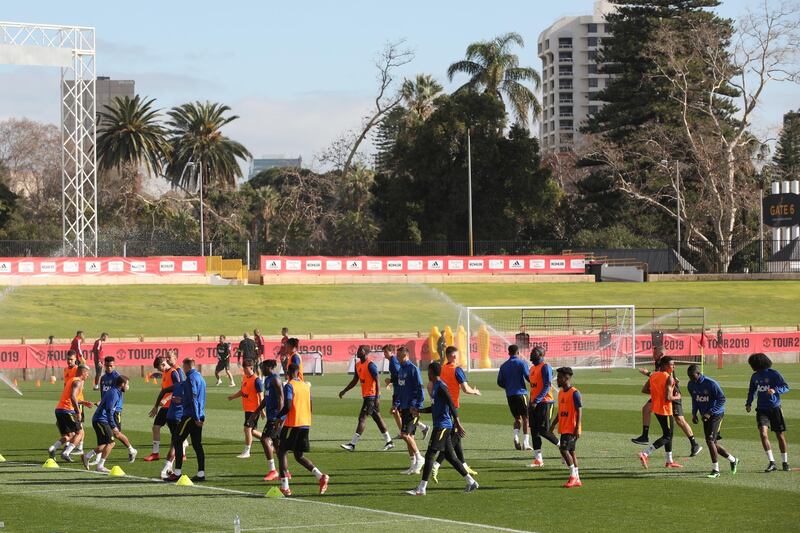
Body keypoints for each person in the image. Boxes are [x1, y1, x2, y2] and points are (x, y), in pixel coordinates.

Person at [406, 361, 479, 496]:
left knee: (429, 455)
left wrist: (458, 423)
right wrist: (419, 410)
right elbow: (435, 407)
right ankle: (471, 482)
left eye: (428, 372)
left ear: (432, 373)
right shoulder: (435, 387)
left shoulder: (441, 387)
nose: (427, 374)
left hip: (443, 427)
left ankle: (421, 488)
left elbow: (451, 405)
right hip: (440, 426)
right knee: (451, 457)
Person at [631, 347, 702, 457]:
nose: (653, 355)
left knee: (679, 420)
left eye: (655, 353)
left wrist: (648, 373)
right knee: (647, 409)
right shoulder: (660, 363)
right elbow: (659, 377)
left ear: (661, 354)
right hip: (663, 392)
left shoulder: (666, 362)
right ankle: (646, 436)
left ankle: (694, 444)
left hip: (672, 393)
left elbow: (664, 377)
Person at [276, 363, 329, 496]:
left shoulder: (289, 386)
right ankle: (320, 476)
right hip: (305, 423)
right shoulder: (306, 386)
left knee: (281, 451)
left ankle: (285, 487)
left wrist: (278, 418)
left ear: (288, 373)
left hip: (293, 424)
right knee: (298, 455)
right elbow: (311, 404)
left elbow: (287, 405)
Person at [430, 346, 480, 482]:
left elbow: (430, 385)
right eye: (457, 355)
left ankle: (463, 464)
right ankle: (437, 464)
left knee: (456, 437)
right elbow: (465, 389)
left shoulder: (442, 368)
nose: (458, 357)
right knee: (454, 437)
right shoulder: (456, 369)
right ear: (453, 356)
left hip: (442, 407)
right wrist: (475, 391)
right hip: (452, 408)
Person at [338, 345, 394, 452]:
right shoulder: (358, 364)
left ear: (363, 352)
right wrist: (344, 390)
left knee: (362, 418)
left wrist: (377, 397)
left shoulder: (370, 364)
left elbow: (377, 380)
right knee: (377, 418)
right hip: (367, 396)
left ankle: (352, 444)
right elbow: (355, 380)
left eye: (359, 350)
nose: (357, 352)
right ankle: (389, 441)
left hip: (372, 396)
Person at [687, 365, 738, 478]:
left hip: (716, 414)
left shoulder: (711, 383)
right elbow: (695, 399)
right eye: (689, 376)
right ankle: (733, 460)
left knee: (710, 440)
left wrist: (710, 412)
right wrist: (694, 413)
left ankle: (716, 470)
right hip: (704, 416)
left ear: (698, 373)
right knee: (713, 443)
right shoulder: (691, 384)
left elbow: (722, 399)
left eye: (693, 376)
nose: (691, 378)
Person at [745, 353, 791, 472]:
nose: (751, 366)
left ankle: (785, 462)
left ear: (757, 363)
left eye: (752, 364)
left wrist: (775, 390)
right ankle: (772, 462)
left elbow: (786, 387)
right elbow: (752, 390)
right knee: (763, 434)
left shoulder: (774, 374)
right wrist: (749, 403)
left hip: (775, 408)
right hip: (761, 409)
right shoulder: (754, 376)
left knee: (779, 435)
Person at [166, 358, 207, 483]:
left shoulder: (190, 378)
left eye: (183, 366)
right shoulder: (200, 377)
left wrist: (195, 417)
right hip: (199, 414)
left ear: (187, 366)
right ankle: (201, 473)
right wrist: (183, 400)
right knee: (196, 444)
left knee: (177, 440)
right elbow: (198, 397)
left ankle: (177, 473)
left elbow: (194, 398)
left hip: (190, 415)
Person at [638, 357, 683, 469]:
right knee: (668, 436)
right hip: (665, 410)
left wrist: (657, 394)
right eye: (671, 365)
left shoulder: (654, 375)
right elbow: (668, 397)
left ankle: (669, 461)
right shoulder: (669, 378)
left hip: (656, 409)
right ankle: (645, 453)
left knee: (668, 434)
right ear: (664, 365)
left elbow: (644, 390)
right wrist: (677, 396)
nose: (674, 367)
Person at [82, 375, 129, 473]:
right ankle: (100, 466)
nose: (128, 387)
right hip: (101, 420)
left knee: (104, 444)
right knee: (111, 443)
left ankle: (87, 456)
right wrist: (113, 426)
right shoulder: (114, 393)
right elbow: (109, 410)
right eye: (127, 384)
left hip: (100, 420)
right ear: (122, 384)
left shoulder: (116, 391)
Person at [144, 353, 185, 462]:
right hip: (165, 406)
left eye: (159, 368)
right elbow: (163, 391)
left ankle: (181, 453)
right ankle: (155, 453)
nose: (159, 370)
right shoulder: (165, 373)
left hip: (173, 407)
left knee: (175, 432)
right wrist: (156, 406)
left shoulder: (173, 373)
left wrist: (167, 399)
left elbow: (179, 389)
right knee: (156, 427)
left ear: (163, 364)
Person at [97, 356, 137, 463]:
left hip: (115, 410)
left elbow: (122, 391)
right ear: (104, 365)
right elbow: (102, 393)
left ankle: (131, 449)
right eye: (107, 365)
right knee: (106, 434)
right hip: (106, 409)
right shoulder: (103, 378)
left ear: (114, 365)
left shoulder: (117, 377)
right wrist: (102, 403)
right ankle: (98, 459)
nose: (109, 368)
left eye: (111, 366)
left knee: (116, 434)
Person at [49, 365, 93, 462]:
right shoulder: (78, 382)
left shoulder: (71, 380)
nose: (88, 375)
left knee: (68, 436)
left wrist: (83, 402)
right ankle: (66, 453)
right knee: (80, 433)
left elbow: (72, 397)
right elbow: (72, 397)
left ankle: (53, 448)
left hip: (59, 410)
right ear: (82, 372)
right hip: (67, 410)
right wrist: (78, 412)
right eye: (87, 373)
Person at [393, 346, 426, 474]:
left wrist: (418, 406)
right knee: (409, 436)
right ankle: (413, 465)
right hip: (404, 406)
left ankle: (419, 458)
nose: (397, 357)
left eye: (399, 355)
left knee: (405, 435)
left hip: (412, 408)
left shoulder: (413, 369)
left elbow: (420, 388)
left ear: (405, 355)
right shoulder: (401, 369)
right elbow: (400, 389)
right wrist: (396, 404)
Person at [250, 359, 285, 481]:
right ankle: (284, 472)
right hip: (271, 416)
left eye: (263, 367)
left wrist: (279, 417)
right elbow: (266, 398)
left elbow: (281, 398)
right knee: (276, 444)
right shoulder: (268, 380)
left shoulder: (275, 379)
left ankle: (273, 470)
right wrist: (257, 411)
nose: (261, 370)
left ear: (269, 367)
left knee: (264, 438)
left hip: (275, 416)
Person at [549, 367, 583, 488]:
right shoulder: (562, 393)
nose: (557, 380)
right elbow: (561, 411)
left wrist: (577, 427)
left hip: (571, 428)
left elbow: (579, 411)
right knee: (572, 452)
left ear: (566, 378)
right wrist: (553, 424)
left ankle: (572, 476)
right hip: (564, 427)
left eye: (559, 378)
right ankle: (577, 478)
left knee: (563, 450)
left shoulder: (575, 393)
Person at [528, 346, 559, 467]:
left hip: (545, 403)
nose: (531, 354)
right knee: (534, 431)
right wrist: (531, 402)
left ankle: (563, 447)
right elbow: (533, 386)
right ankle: (538, 459)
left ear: (541, 355)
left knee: (544, 431)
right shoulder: (532, 369)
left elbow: (547, 385)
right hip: (534, 403)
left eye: (533, 352)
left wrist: (537, 400)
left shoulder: (546, 367)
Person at [497, 344, 531, 451]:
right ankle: (526, 443)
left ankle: (516, 437)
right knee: (526, 418)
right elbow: (528, 376)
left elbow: (499, 382)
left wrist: (508, 387)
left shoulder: (503, 366)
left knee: (517, 418)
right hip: (521, 394)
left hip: (510, 395)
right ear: (518, 352)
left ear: (508, 353)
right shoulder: (521, 363)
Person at [227, 360, 264, 458]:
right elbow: (242, 391)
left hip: (254, 410)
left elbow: (261, 396)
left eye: (246, 368)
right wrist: (233, 397)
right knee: (251, 431)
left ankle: (247, 451)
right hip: (247, 409)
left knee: (247, 429)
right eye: (243, 369)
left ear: (251, 367)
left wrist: (262, 410)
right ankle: (268, 440)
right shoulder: (244, 378)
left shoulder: (257, 380)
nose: (244, 371)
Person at [159, 360, 187, 481]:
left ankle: (169, 468)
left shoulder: (177, 386)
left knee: (175, 441)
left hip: (171, 416)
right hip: (177, 417)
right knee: (176, 444)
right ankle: (167, 468)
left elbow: (164, 391)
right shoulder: (186, 387)